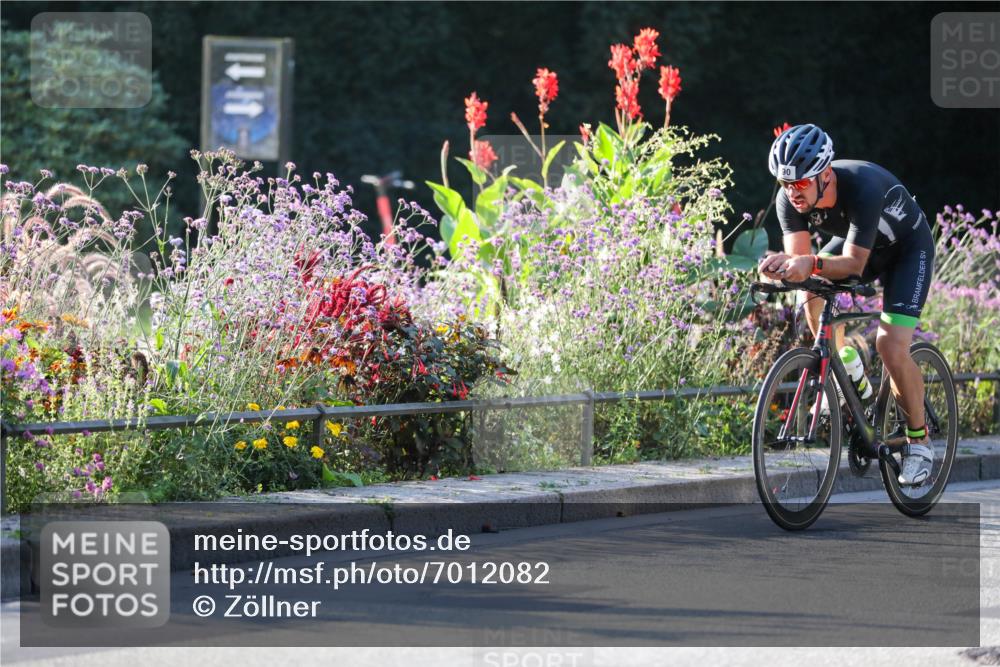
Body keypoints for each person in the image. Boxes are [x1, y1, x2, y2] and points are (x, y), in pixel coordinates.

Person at [758, 123, 935, 486]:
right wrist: (781, 269)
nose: (792, 192)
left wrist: (810, 264)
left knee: (889, 345)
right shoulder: (788, 201)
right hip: (863, 248)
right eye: (785, 183)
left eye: (801, 183)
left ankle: (919, 443)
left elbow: (853, 264)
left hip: (906, 252)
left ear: (825, 175)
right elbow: (801, 266)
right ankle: (846, 371)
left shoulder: (862, 187)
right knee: (808, 293)